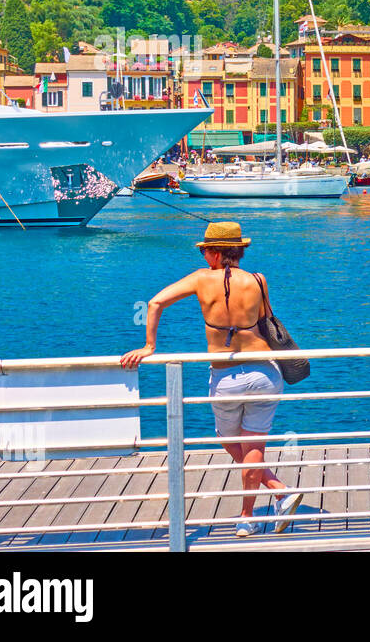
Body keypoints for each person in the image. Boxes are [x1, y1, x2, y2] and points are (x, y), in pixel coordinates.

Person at [122, 222, 302, 537]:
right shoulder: (258, 280)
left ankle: (260, 506)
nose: (205, 255)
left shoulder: (200, 279)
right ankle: (270, 501)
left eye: (206, 250)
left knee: (231, 441)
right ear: (239, 250)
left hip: (226, 375)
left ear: (216, 253)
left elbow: (154, 303)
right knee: (253, 444)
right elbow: (267, 323)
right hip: (265, 372)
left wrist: (150, 346)